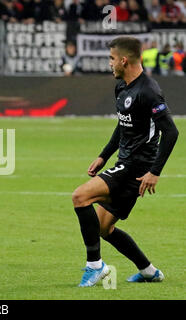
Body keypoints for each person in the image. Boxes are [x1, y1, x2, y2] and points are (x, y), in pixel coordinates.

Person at [72, 36, 179, 287]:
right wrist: (103, 155)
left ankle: (95, 266)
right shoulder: (122, 86)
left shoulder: (149, 91)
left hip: (137, 168)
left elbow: (172, 132)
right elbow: (123, 124)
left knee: (80, 197)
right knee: (102, 228)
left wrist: (155, 171)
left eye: (111, 59)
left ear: (123, 60)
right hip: (125, 162)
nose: (109, 64)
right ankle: (149, 271)